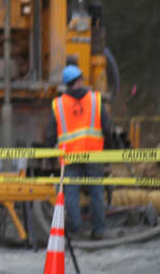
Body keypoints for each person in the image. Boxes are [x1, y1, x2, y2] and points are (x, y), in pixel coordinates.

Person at [46, 64, 112, 239]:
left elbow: (50, 134)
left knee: (71, 193)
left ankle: (75, 230)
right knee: (97, 191)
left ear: (66, 84)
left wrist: (49, 151)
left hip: (70, 156)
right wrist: (109, 150)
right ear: (80, 80)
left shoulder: (58, 104)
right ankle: (99, 230)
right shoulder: (96, 99)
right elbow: (107, 128)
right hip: (94, 154)